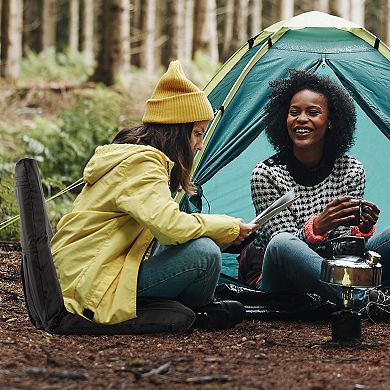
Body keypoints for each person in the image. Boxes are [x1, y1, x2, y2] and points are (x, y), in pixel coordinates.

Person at [51, 60, 257, 330]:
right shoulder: (142, 164)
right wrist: (227, 227)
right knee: (205, 252)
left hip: (89, 271)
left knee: (200, 242)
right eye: (196, 133)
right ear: (176, 131)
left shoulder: (133, 156)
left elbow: (159, 231)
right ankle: (201, 312)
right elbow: (169, 227)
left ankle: (195, 309)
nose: (199, 145)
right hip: (93, 282)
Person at [249, 69, 390, 318]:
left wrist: (361, 229)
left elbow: (345, 249)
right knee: (282, 244)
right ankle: (363, 300)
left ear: (331, 121)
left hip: (336, 267)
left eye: (313, 112)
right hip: (281, 276)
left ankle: (357, 297)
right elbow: (281, 245)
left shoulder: (351, 170)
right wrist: (318, 226)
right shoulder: (265, 174)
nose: (301, 119)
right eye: (294, 112)